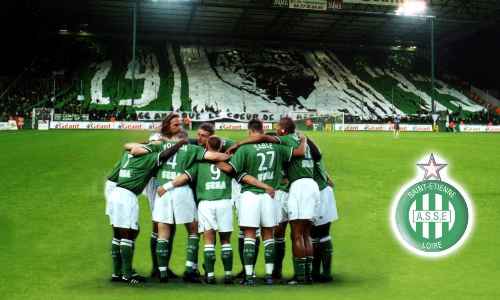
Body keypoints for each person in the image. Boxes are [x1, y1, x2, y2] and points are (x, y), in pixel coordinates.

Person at [163, 136, 275, 284]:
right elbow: (244, 177)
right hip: (224, 203)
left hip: (206, 203)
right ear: (221, 146)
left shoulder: (199, 163)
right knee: (226, 241)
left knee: (208, 240)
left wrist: (166, 187)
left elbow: (183, 177)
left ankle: (210, 276)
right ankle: (228, 275)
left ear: (207, 146)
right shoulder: (229, 164)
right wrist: (265, 186)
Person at [226, 117, 319, 285]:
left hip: (265, 192)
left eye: (277, 127)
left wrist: (238, 144)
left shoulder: (278, 141)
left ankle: (251, 276)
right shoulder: (289, 143)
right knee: (297, 234)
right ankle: (284, 275)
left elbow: (233, 169)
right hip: (282, 192)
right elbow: (311, 155)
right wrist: (305, 140)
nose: (276, 130)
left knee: (253, 234)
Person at [108, 138, 187, 284]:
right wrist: (179, 145)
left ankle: (116, 273)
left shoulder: (127, 155)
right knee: (128, 234)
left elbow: (127, 147)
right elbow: (164, 155)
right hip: (127, 196)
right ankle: (127, 275)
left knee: (117, 234)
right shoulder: (147, 158)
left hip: (115, 194)